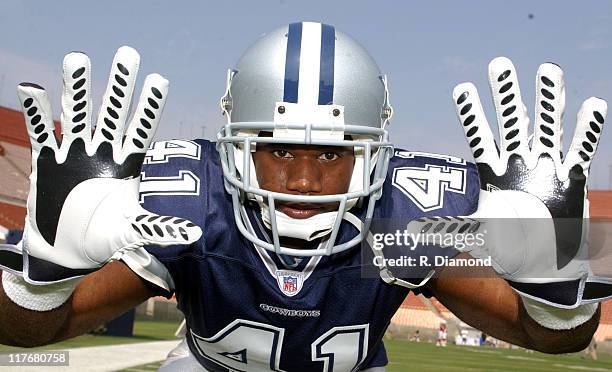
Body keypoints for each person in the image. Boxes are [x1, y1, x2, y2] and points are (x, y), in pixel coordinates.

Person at [0, 22, 608, 371]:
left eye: (334, 152)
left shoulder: (400, 229)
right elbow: (36, 332)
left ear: (375, 156)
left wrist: (556, 297)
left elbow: (551, 337)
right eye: (280, 149)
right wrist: (41, 281)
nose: (303, 181)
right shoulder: (197, 209)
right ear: (236, 148)